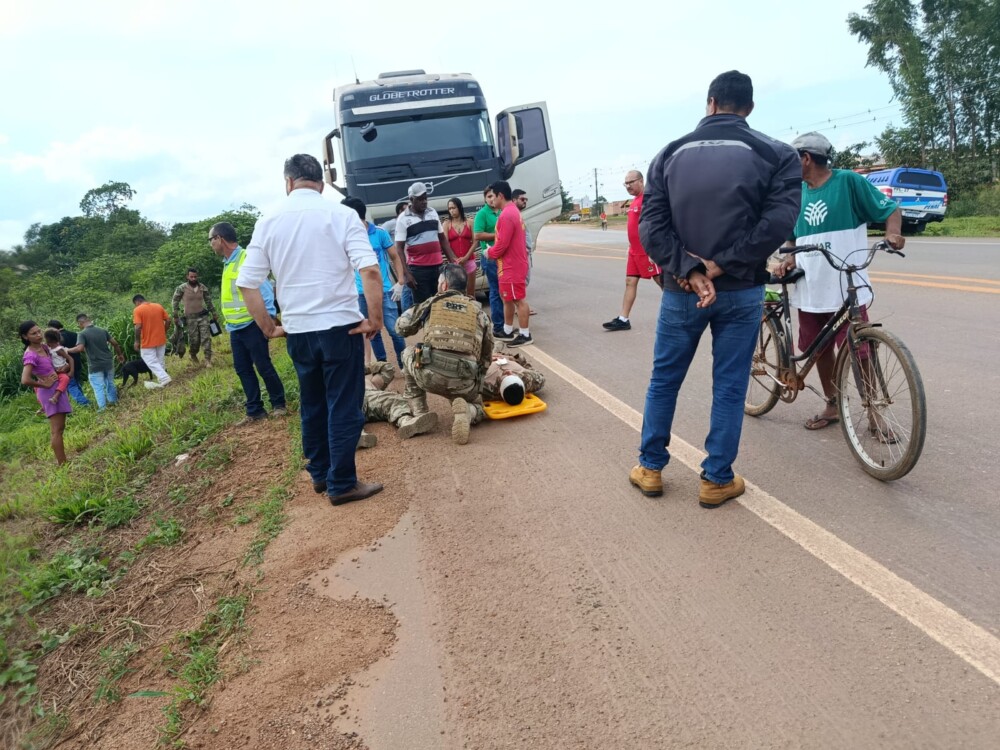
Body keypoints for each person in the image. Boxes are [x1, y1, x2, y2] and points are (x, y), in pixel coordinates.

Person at [632, 70, 801, 509]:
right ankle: (716, 479)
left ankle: (650, 469)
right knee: (729, 386)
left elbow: (651, 225)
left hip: (681, 291)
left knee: (664, 381)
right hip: (742, 291)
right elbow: (778, 223)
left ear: (710, 102)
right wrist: (719, 265)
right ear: (749, 107)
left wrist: (690, 269)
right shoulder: (776, 154)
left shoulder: (669, 153)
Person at [236, 154, 383, 506]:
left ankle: (320, 473)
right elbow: (371, 271)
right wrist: (374, 320)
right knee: (344, 405)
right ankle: (342, 483)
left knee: (313, 403)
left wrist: (270, 328)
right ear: (320, 181)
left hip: (299, 332)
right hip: (340, 328)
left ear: (288, 183)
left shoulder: (268, 221)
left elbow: (247, 284)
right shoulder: (343, 215)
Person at [774, 131, 905, 431]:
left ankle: (874, 411)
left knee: (861, 349)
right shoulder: (796, 192)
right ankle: (832, 404)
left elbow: (890, 209)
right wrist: (790, 257)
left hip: (846, 284)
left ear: (805, 158)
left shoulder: (848, 182)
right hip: (810, 284)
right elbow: (791, 236)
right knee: (818, 348)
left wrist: (892, 234)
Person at [396, 263, 494, 445]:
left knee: (408, 352)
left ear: (444, 285)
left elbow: (401, 327)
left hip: (429, 375)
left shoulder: (431, 304)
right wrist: (476, 385)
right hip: (463, 380)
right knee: (479, 407)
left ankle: (420, 411)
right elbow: (487, 356)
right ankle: (468, 412)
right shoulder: (479, 312)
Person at [209, 221, 288, 424]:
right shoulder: (227, 263)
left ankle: (279, 404)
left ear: (220, 239)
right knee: (242, 369)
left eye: (211, 239)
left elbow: (265, 290)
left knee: (263, 365)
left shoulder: (245, 259)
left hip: (253, 324)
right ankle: (255, 411)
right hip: (235, 328)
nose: (211, 244)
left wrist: (269, 319)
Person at [341, 197, 408, 368]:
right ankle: (383, 366)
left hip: (384, 290)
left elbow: (395, 256)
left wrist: (400, 281)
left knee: (395, 330)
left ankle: (404, 365)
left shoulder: (379, 232)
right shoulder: (345, 236)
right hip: (360, 293)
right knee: (372, 332)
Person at [603, 170, 663, 331]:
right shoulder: (634, 201)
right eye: (626, 183)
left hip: (646, 250)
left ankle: (682, 307)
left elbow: (655, 224)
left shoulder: (648, 199)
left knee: (662, 281)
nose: (628, 186)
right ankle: (623, 319)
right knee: (630, 282)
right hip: (634, 251)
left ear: (641, 181)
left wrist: (653, 249)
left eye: (631, 182)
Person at [394, 182, 457, 306]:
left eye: (425, 198)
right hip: (418, 271)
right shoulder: (403, 218)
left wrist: (453, 262)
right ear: (411, 199)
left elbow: (442, 239)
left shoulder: (432, 212)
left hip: (437, 267)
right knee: (423, 307)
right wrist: (407, 274)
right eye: (420, 199)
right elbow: (399, 249)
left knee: (440, 303)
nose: (424, 202)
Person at [486, 181, 532, 347]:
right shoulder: (511, 211)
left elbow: (502, 244)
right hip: (508, 265)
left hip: (511, 265)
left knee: (518, 300)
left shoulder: (507, 215)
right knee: (507, 298)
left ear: (500, 196)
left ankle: (525, 334)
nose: (491, 200)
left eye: (492, 196)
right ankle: (506, 330)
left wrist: (489, 253)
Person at [19, 321, 71, 465]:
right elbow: (25, 379)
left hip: (56, 389)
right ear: (25, 336)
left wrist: (62, 368)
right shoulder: (30, 355)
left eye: (39, 331)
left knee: (60, 428)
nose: (38, 335)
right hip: (49, 392)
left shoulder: (43, 347)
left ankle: (63, 462)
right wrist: (44, 383)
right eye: (33, 333)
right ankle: (63, 464)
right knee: (56, 430)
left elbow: (51, 365)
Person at [361, 361, 439, 443]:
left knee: (394, 399)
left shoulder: (372, 382)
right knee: (348, 412)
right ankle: (356, 435)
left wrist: (365, 368)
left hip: (371, 396)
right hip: (351, 398)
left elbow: (388, 367)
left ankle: (406, 422)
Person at [67, 314, 125, 411]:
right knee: (110, 382)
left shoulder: (82, 334)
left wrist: (67, 350)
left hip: (95, 365)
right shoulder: (102, 330)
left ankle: (102, 408)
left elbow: (80, 348)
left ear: (80, 323)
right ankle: (113, 402)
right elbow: (115, 343)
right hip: (108, 362)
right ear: (88, 320)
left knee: (98, 386)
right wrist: (120, 355)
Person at [171, 267, 220, 367]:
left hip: (202, 316)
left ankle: (207, 359)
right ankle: (192, 354)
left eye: (195, 277)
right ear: (187, 277)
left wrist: (214, 312)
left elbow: (208, 301)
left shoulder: (202, 287)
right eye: (191, 277)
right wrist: (175, 316)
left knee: (206, 338)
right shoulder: (182, 288)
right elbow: (175, 301)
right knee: (194, 340)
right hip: (190, 318)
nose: (193, 278)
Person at [473, 186, 504, 336]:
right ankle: (498, 326)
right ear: (485, 198)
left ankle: (505, 324)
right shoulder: (482, 214)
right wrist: (498, 236)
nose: (492, 199)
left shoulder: (500, 212)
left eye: (494, 196)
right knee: (495, 291)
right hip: (490, 257)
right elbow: (477, 235)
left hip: (503, 256)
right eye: (489, 197)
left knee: (503, 291)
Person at [131, 294, 172, 389]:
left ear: (137, 302)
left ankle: (164, 377)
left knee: (149, 360)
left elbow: (138, 327)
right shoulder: (158, 306)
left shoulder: (138, 309)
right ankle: (162, 380)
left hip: (147, 341)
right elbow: (168, 320)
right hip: (161, 339)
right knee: (160, 360)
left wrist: (137, 341)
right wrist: (164, 331)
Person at [47, 320, 90, 407]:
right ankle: (81, 400)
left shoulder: (58, 338)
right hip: (77, 362)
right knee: (76, 383)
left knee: (71, 386)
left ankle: (84, 403)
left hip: (66, 366)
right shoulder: (74, 334)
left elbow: (64, 354)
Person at [443, 197, 478, 298]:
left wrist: (466, 257)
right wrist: (455, 259)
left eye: (454, 208)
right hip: (454, 264)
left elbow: (475, 241)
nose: (452, 211)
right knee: (455, 294)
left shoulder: (470, 222)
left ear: (459, 207)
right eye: (449, 209)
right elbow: (445, 244)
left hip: (469, 261)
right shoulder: (447, 224)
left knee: (471, 293)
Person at [481, 350, 545, 403]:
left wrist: (486, 358)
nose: (509, 372)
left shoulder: (485, 385)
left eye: (505, 376)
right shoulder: (528, 381)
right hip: (507, 357)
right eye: (513, 375)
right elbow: (541, 377)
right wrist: (520, 362)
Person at [42, 328, 73, 404]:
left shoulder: (58, 349)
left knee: (65, 379)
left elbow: (70, 359)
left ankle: (56, 396)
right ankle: (43, 405)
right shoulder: (49, 348)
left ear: (48, 340)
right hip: (54, 371)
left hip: (61, 370)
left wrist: (72, 371)